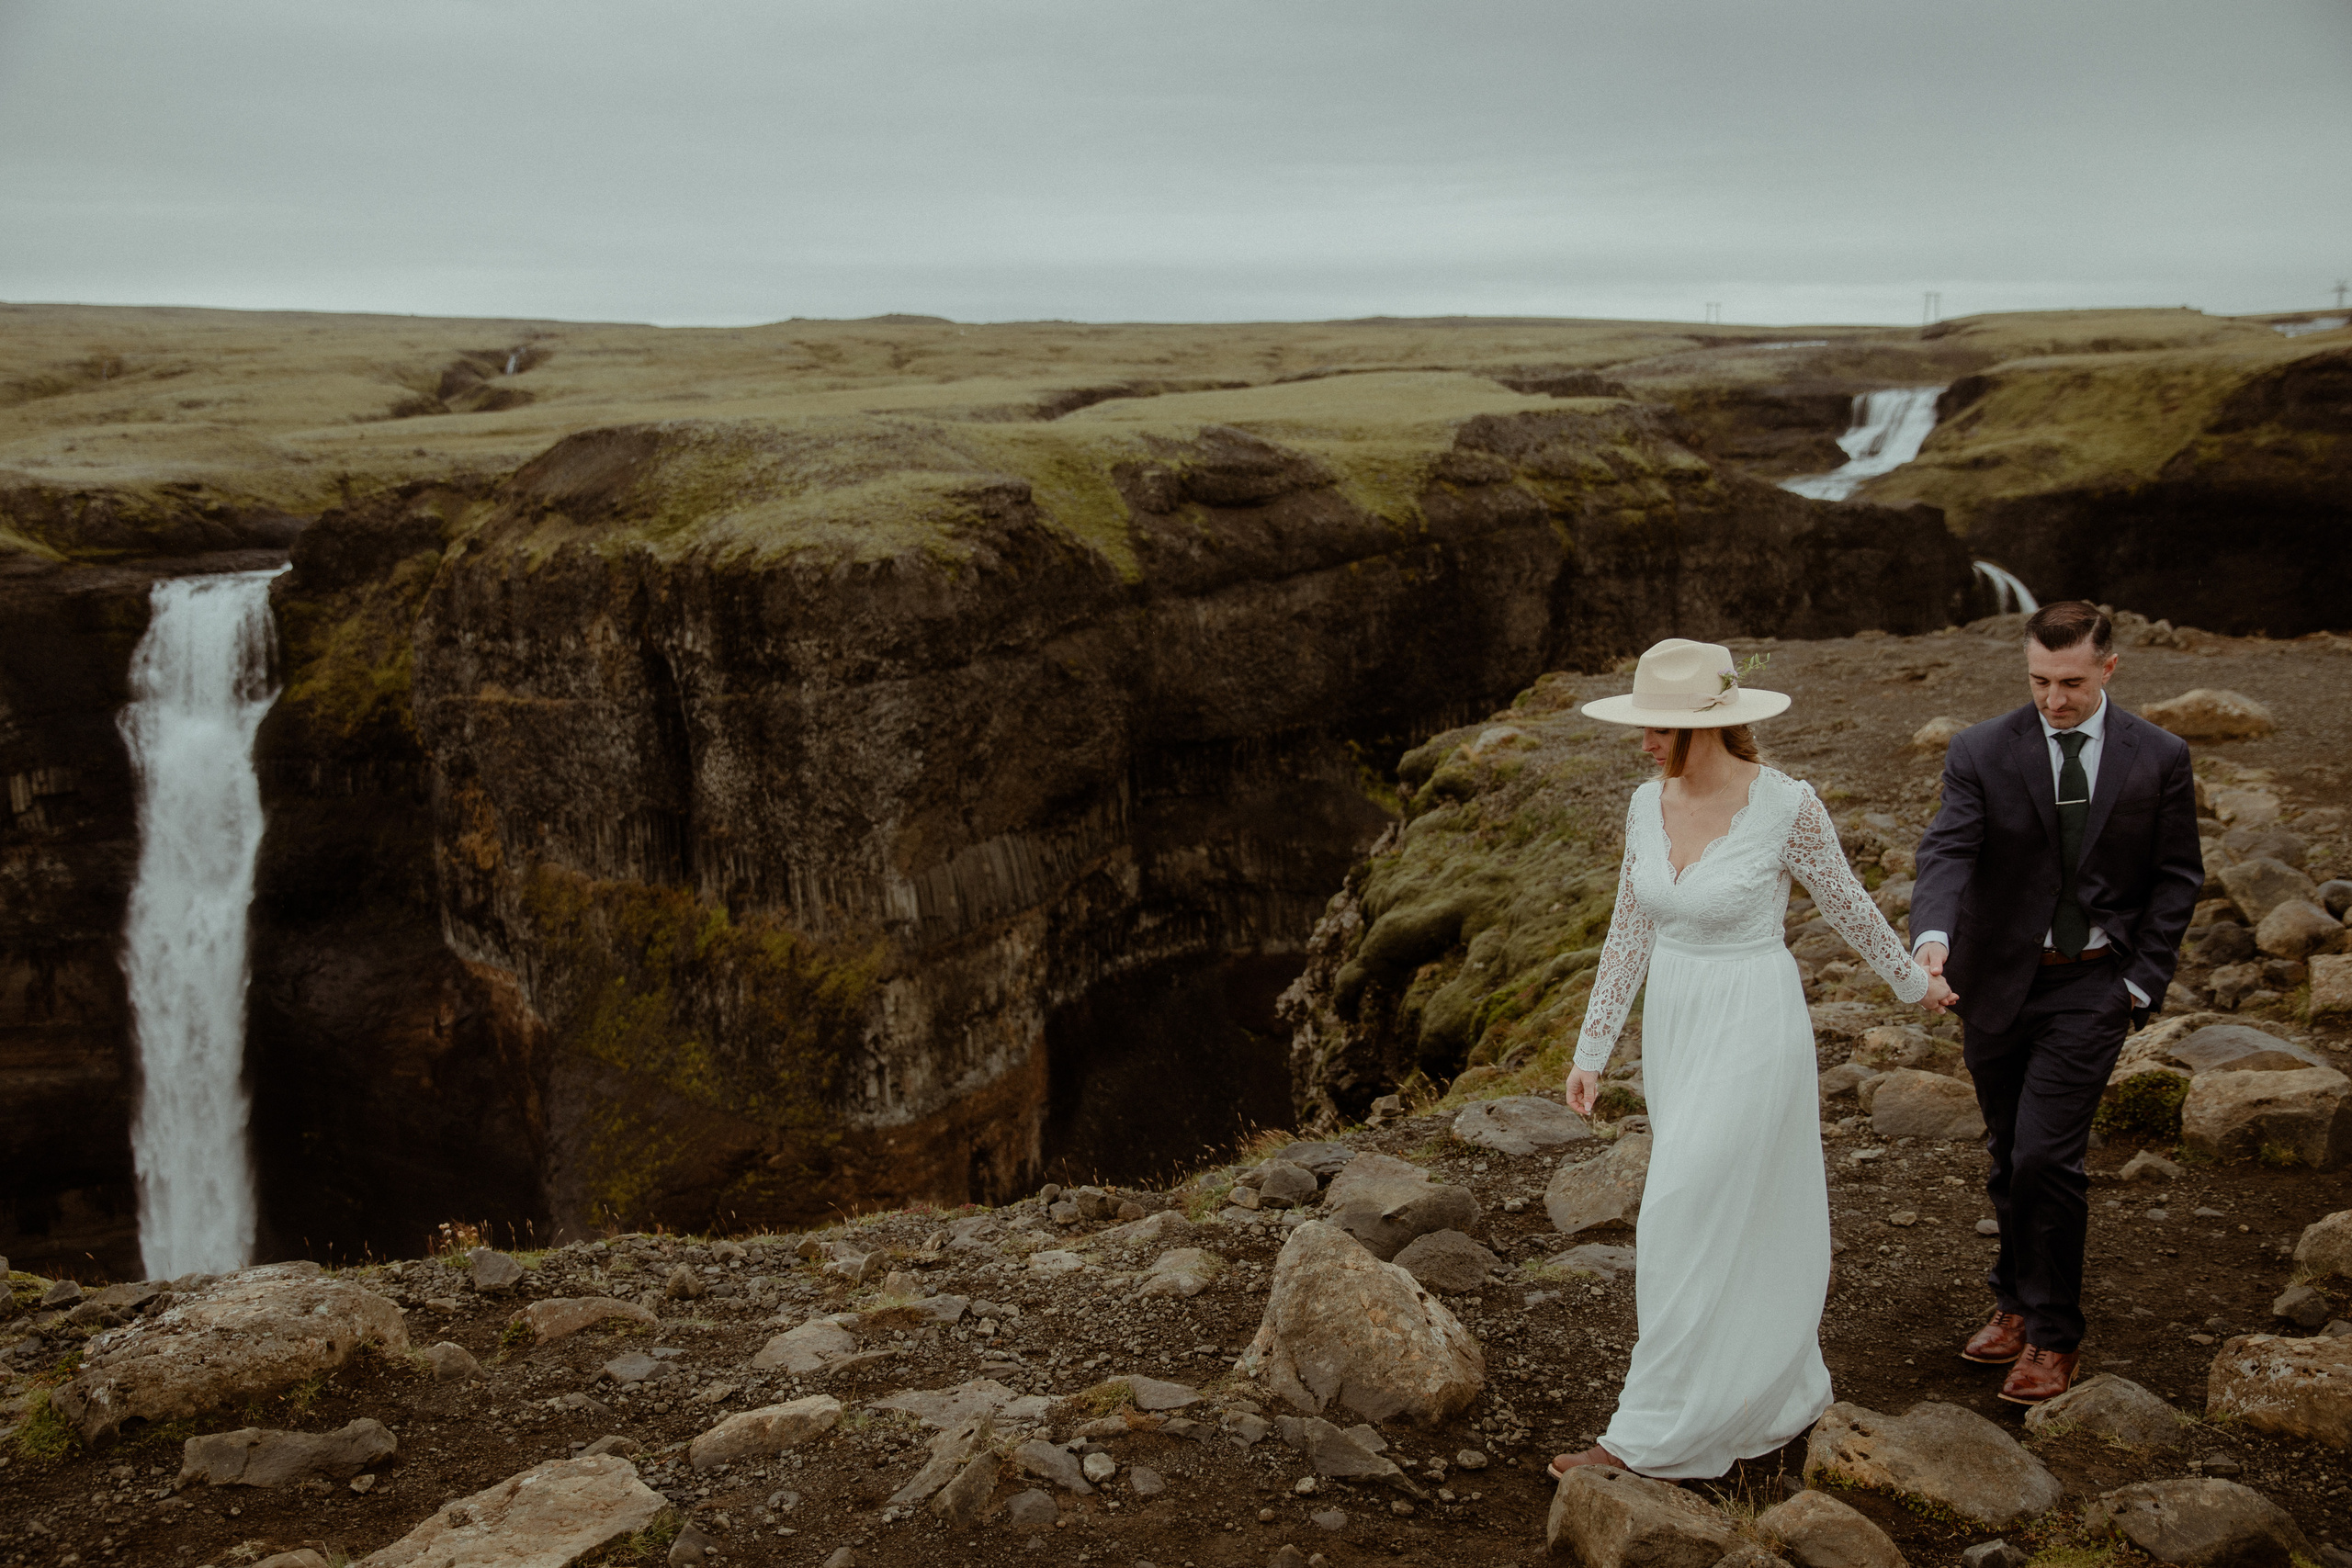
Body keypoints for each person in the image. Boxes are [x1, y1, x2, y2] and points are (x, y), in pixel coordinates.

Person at [1551, 637, 1954, 1482]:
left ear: (1707, 727)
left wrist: (1914, 984)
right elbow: (1629, 930)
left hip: (1754, 1022)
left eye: (1659, 728)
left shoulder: (1787, 807)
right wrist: (1594, 1048)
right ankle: (1770, 1394)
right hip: (1678, 1024)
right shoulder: (1643, 803)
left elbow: (1846, 902)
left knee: (1678, 1210)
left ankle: (1644, 1435)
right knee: (1718, 1209)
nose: (1647, 742)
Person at [1909, 601, 2201, 1404]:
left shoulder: (2161, 755)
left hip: (2093, 982)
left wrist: (2140, 981)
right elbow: (1949, 847)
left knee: (2047, 1155)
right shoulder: (1979, 749)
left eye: (2070, 682)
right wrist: (1930, 938)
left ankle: (2052, 1333)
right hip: (1994, 979)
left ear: (2109, 667)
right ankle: (2012, 1298)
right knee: (2009, 1152)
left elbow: (2178, 875)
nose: (2053, 699)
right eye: (2039, 680)